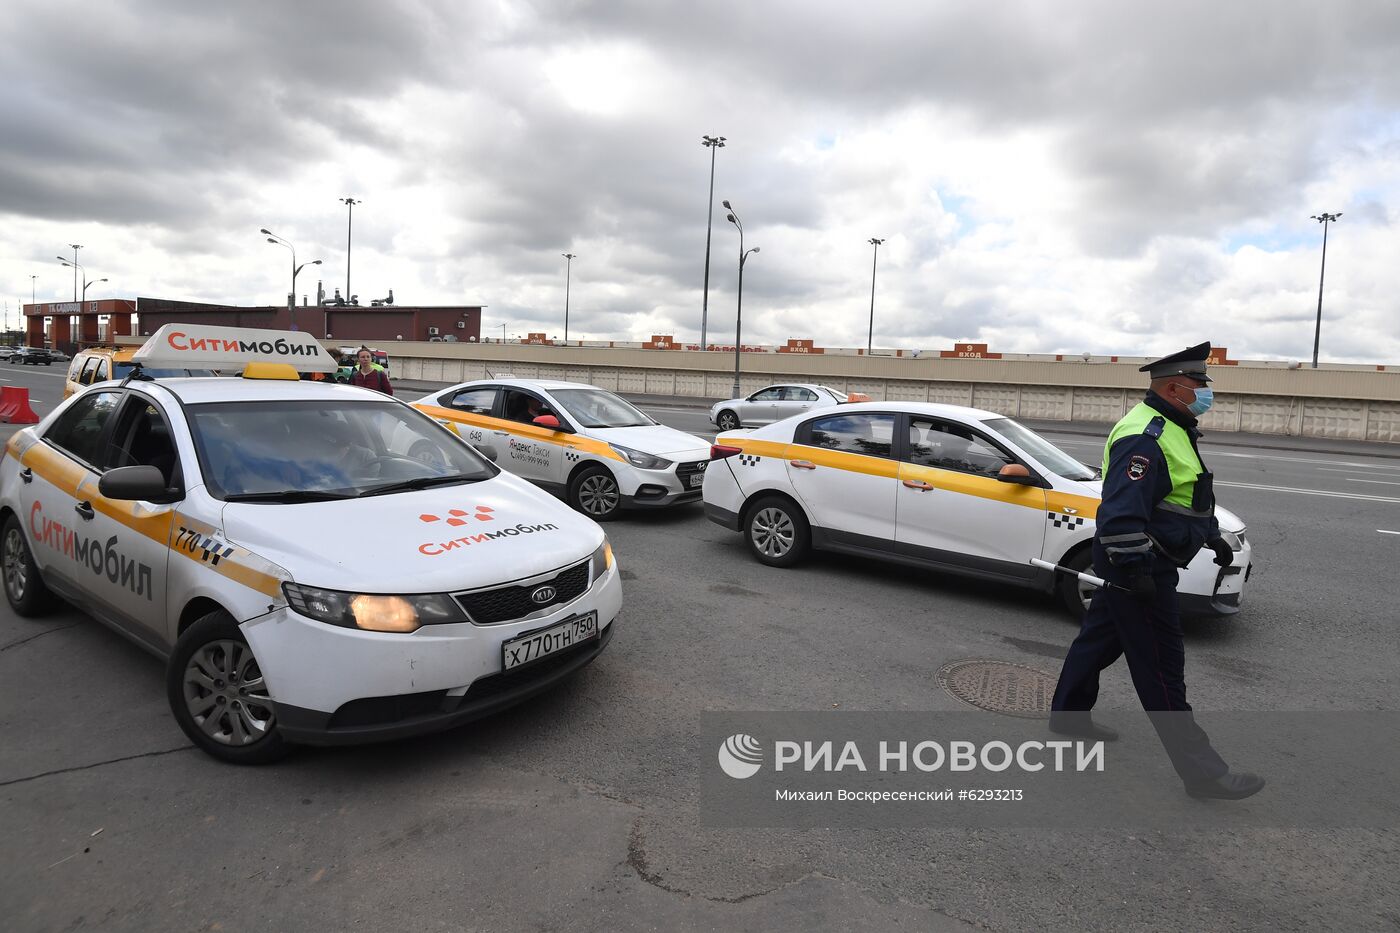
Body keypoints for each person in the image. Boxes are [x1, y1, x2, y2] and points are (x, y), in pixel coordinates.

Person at [1049, 342, 1265, 800]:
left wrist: (1214, 538)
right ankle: (1204, 775)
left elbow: (1181, 496)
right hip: (1141, 568)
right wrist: (1138, 572)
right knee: (1163, 670)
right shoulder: (1145, 437)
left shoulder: (1172, 426)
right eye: (1198, 386)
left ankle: (1067, 715)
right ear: (1173, 387)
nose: (1205, 393)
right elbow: (1121, 516)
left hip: (1141, 563)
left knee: (1098, 639)